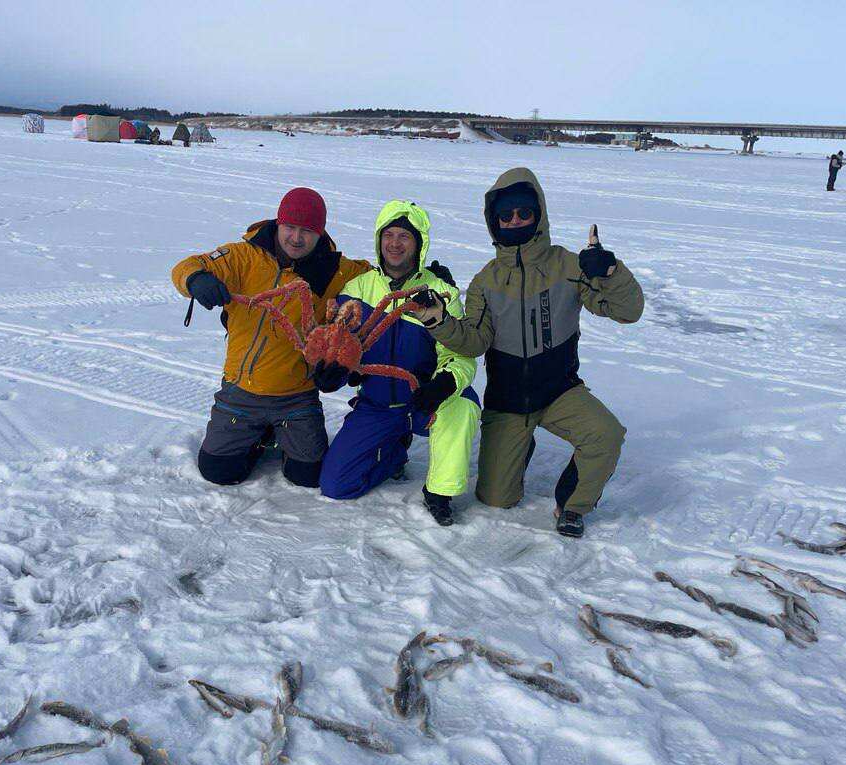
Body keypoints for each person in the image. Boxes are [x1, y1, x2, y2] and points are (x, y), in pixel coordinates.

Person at [417, 167, 644, 538]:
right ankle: (520, 444)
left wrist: (610, 272)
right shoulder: (485, 281)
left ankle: (571, 504)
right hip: (507, 400)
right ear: (495, 221)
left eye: (524, 211)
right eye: (506, 215)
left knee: (606, 435)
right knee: (495, 499)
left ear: (539, 213)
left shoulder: (569, 265)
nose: (516, 220)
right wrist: (438, 321)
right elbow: (473, 342)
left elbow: (627, 311)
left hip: (559, 390)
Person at [170, 188, 370, 488]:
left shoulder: (338, 271)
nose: (296, 238)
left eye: (307, 231)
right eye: (290, 227)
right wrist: (197, 280)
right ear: (278, 223)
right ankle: (259, 436)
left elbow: (381, 283)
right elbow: (186, 266)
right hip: (241, 390)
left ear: (320, 233)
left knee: (307, 476)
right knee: (218, 472)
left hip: (297, 396)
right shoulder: (243, 256)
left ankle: (283, 435)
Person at [318, 201, 480, 525]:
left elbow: (461, 353)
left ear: (419, 243)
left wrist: (444, 384)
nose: (395, 243)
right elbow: (340, 340)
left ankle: (440, 492)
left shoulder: (441, 292)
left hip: (425, 400)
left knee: (462, 405)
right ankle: (393, 453)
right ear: (379, 240)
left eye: (404, 236)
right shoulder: (358, 289)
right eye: (388, 234)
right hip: (377, 404)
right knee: (336, 485)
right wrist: (332, 368)